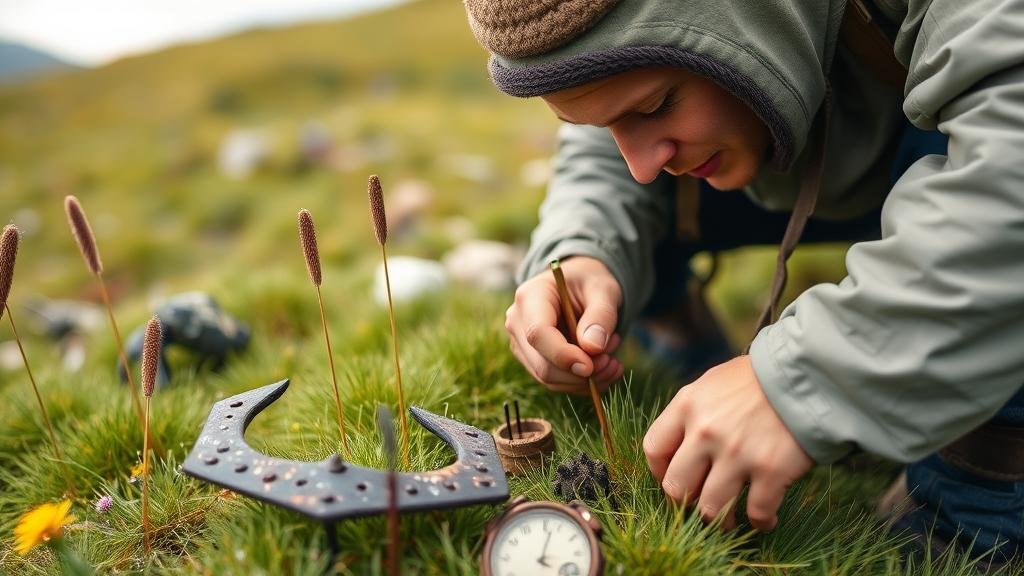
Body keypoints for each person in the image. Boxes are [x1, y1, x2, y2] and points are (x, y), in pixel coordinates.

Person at [463, 0, 1024, 563]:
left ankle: (973, 491)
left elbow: (1008, 182)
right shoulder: (662, 107)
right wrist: (584, 251)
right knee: (642, 187)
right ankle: (692, 367)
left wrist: (802, 379)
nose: (639, 163)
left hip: (946, 146)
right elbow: (611, 130)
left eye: (658, 105)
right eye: (607, 123)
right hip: (805, 130)